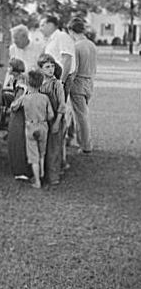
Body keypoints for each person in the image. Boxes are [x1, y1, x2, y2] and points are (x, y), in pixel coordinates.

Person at [11, 70, 54, 188]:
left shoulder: (26, 98)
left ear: (28, 84)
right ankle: (42, 175)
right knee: (41, 154)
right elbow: (51, 115)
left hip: (30, 127)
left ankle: (37, 182)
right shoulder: (45, 98)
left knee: (33, 156)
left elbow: (13, 107)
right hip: (43, 126)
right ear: (41, 84)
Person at [67, 17, 97, 154]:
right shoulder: (91, 45)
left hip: (78, 83)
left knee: (81, 116)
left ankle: (85, 146)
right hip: (89, 82)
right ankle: (69, 137)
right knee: (78, 113)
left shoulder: (76, 46)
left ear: (71, 31)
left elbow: (74, 69)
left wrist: (67, 84)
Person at [38, 54, 66, 185]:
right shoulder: (39, 84)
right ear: (41, 69)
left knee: (54, 148)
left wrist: (57, 122)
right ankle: (40, 174)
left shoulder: (57, 85)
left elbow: (62, 106)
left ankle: (54, 176)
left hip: (56, 119)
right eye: (47, 67)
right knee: (41, 147)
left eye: (52, 66)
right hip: (42, 119)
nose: (50, 69)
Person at [5, 58, 33, 180]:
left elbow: (20, 97)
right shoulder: (18, 78)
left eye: (10, 66)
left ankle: (20, 169)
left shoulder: (21, 80)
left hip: (21, 112)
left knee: (17, 142)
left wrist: (12, 106)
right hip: (23, 108)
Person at [39, 15, 76, 100]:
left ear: (50, 25)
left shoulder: (61, 37)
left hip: (60, 78)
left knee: (57, 107)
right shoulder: (50, 40)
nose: (40, 29)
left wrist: (61, 82)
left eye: (42, 25)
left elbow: (67, 59)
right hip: (50, 78)